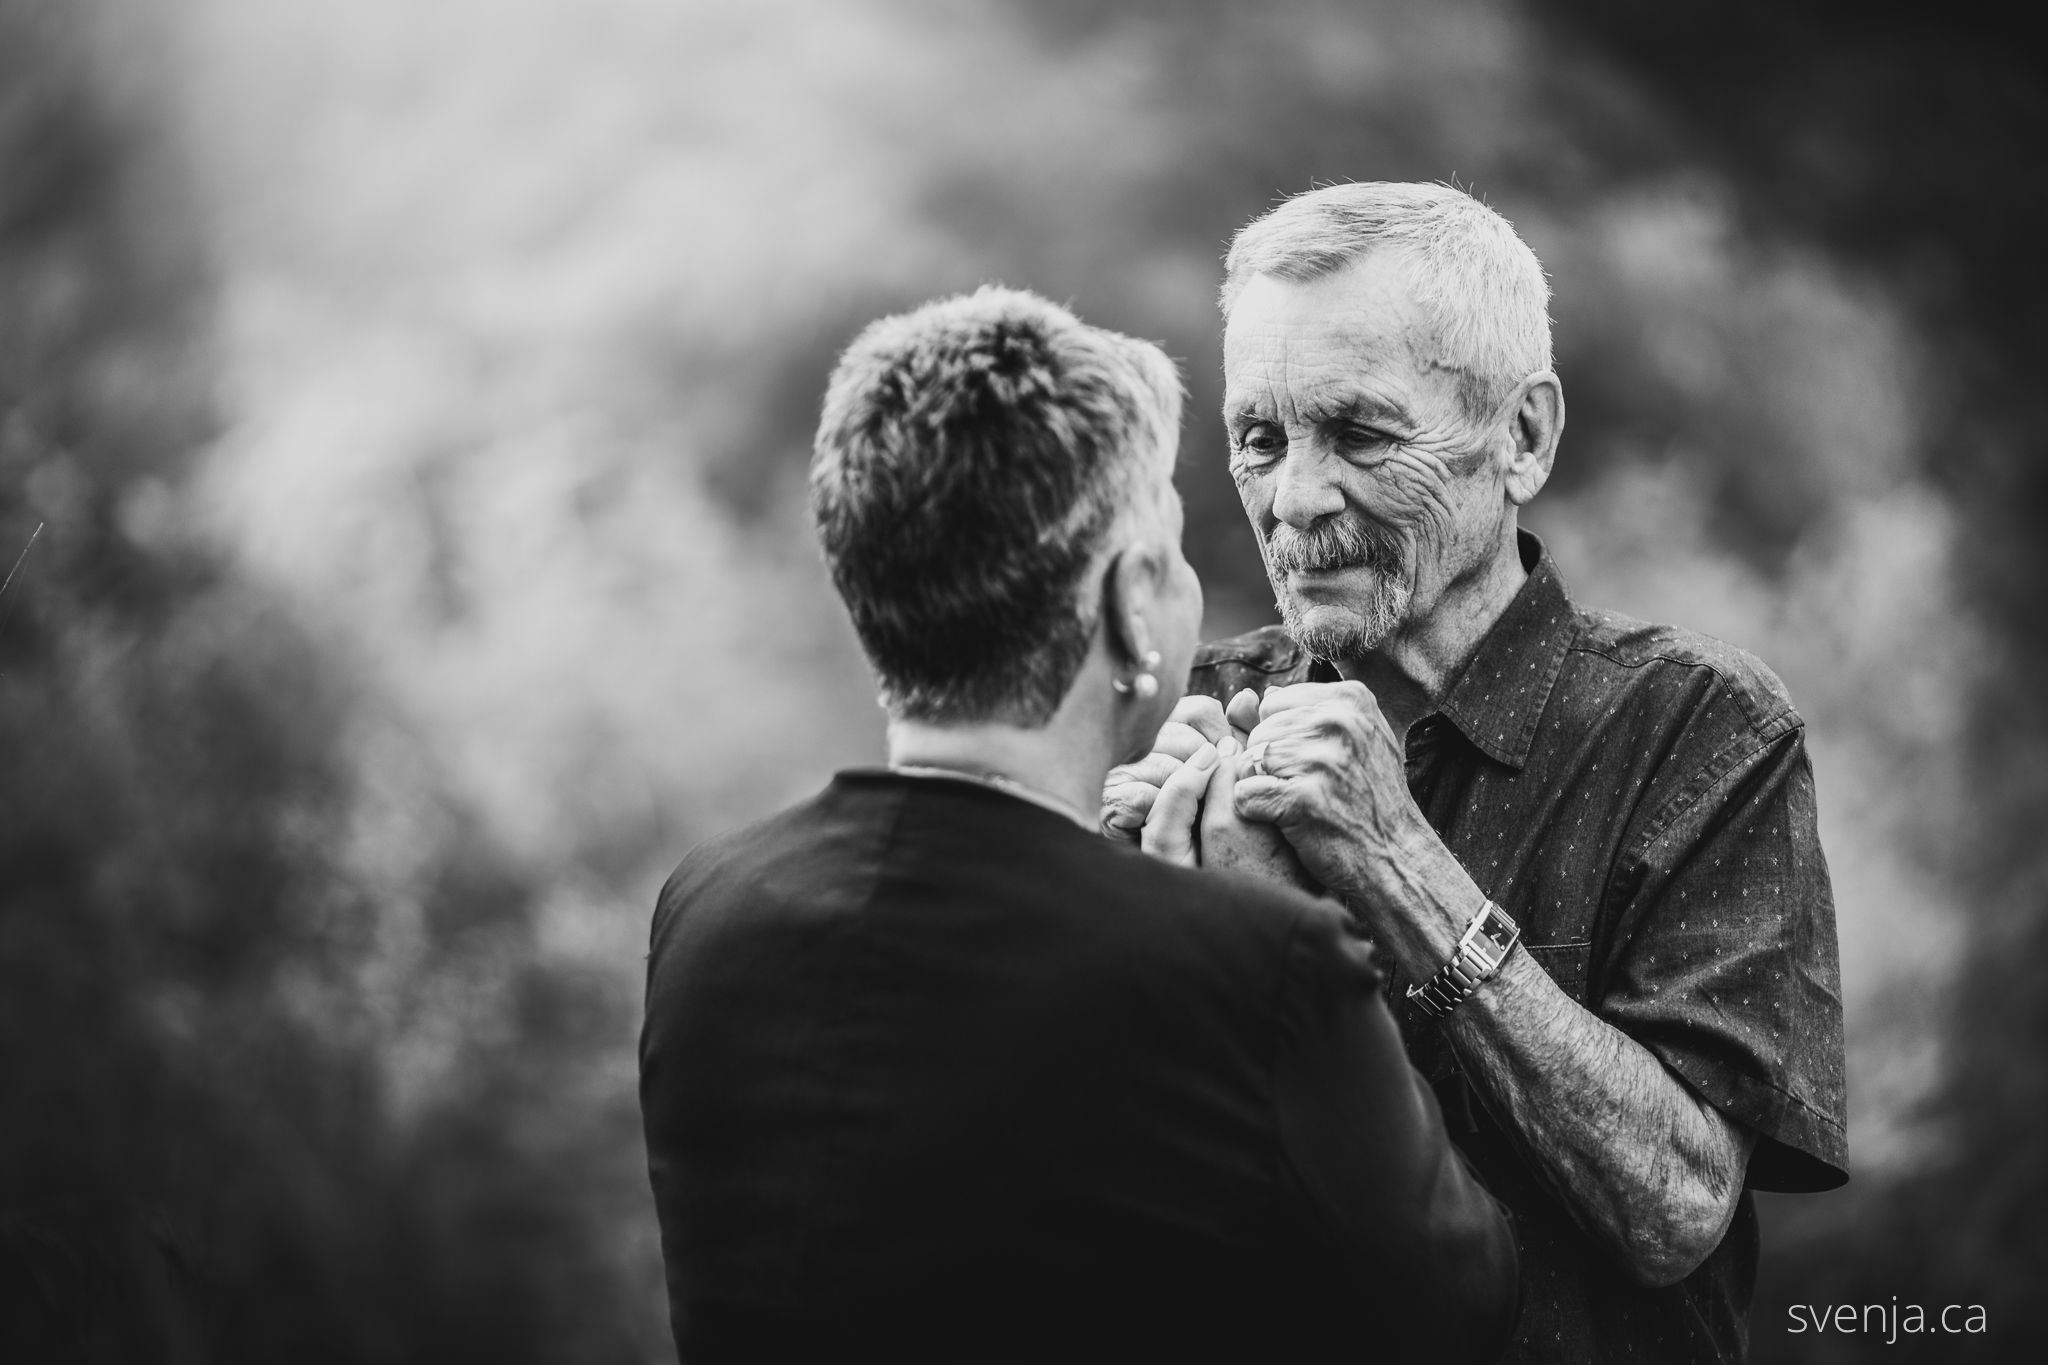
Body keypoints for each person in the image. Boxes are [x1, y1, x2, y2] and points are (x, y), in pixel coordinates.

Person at [639, 286, 1518, 1362]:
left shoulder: (706, 907)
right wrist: (1283, 936)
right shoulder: (1249, 959)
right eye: (1177, 544)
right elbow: (1457, 1307)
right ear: (1130, 601)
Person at [1104, 182, 1848, 1364]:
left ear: (1523, 437)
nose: (1293, 498)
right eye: (1259, 439)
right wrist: (1135, 922)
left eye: (1357, 433)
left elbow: (1676, 1212)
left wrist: (1394, 863)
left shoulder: (1694, 726)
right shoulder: (1188, 710)